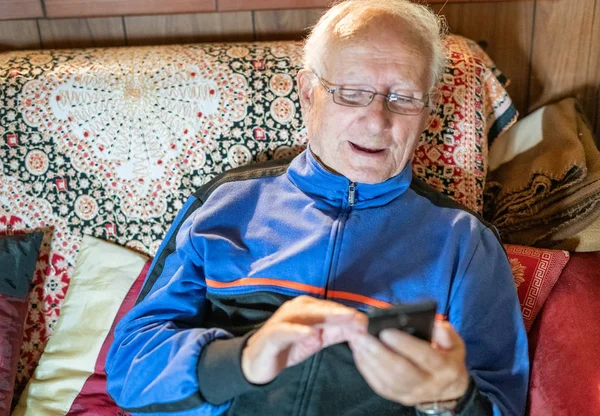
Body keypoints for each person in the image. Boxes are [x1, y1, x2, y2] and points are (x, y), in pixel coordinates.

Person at [106, 0, 529, 415]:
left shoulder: (464, 242)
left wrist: (450, 401)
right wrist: (243, 360)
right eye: (352, 93)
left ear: (425, 112)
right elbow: (131, 369)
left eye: (402, 98)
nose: (377, 120)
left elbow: (502, 402)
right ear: (309, 95)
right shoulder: (225, 205)